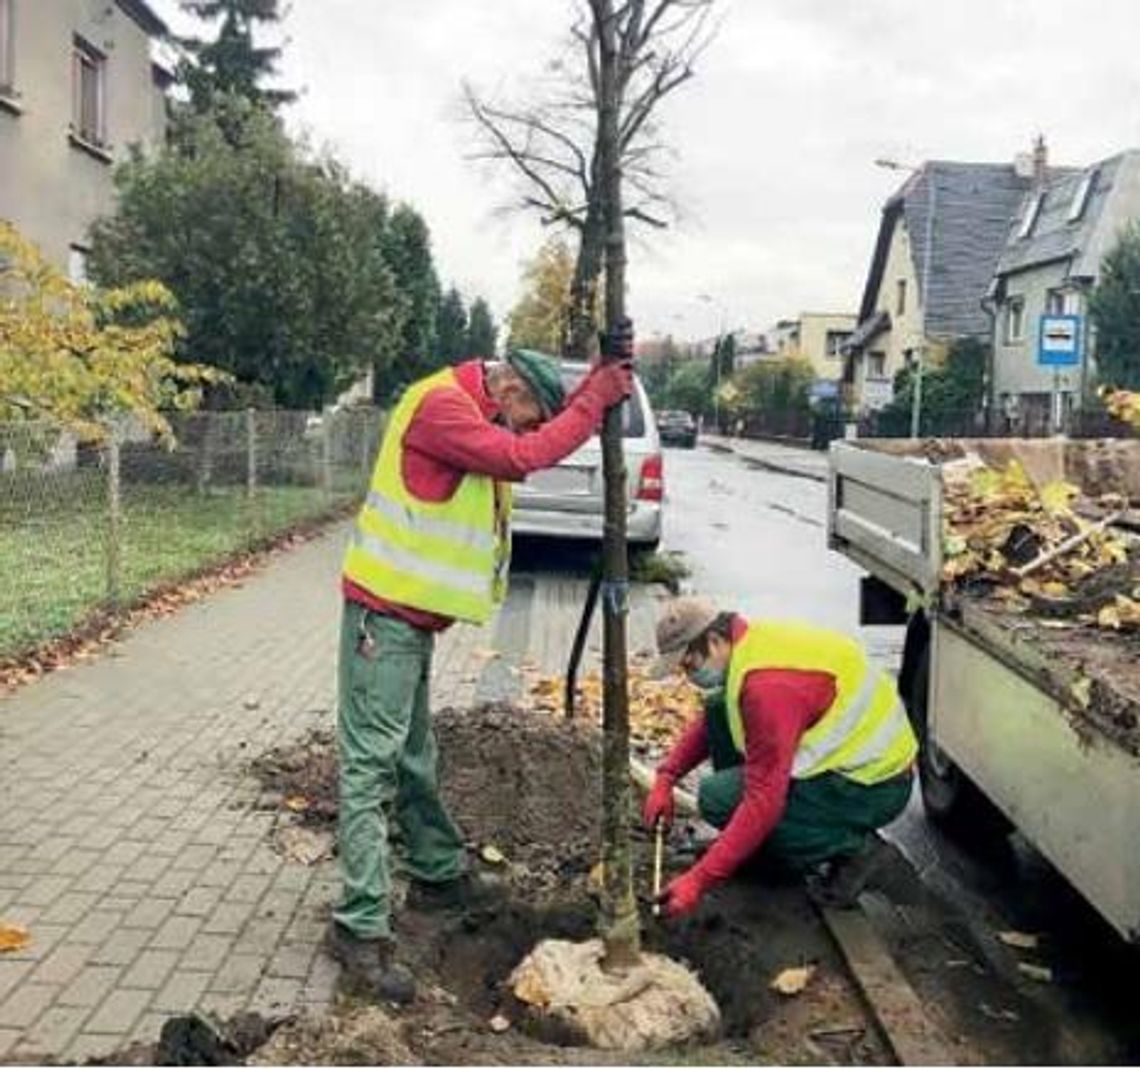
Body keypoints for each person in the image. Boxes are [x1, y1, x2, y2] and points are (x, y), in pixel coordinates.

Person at [329, 337, 633, 1002]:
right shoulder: (443, 408)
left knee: (412, 753)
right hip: (382, 619)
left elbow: (524, 441)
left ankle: (438, 874)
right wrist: (596, 400)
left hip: (407, 618)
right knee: (370, 766)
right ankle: (359, 927)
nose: (520, 428)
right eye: (524, 415)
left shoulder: (473, 401)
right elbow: (521, 457)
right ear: (509, 391)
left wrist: (596, 386)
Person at [644, 596, 917, 918]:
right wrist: (667, 776)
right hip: (847, 763)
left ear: (714, 640)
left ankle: (858, 852)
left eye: (689, 664)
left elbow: (763, 801)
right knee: (718, 709)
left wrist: (700, 879)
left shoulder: (768, 689)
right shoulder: (748, 646)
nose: (688, 676)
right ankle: (754, 845)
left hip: (871, 784)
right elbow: (717, 717)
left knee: (718, 799)